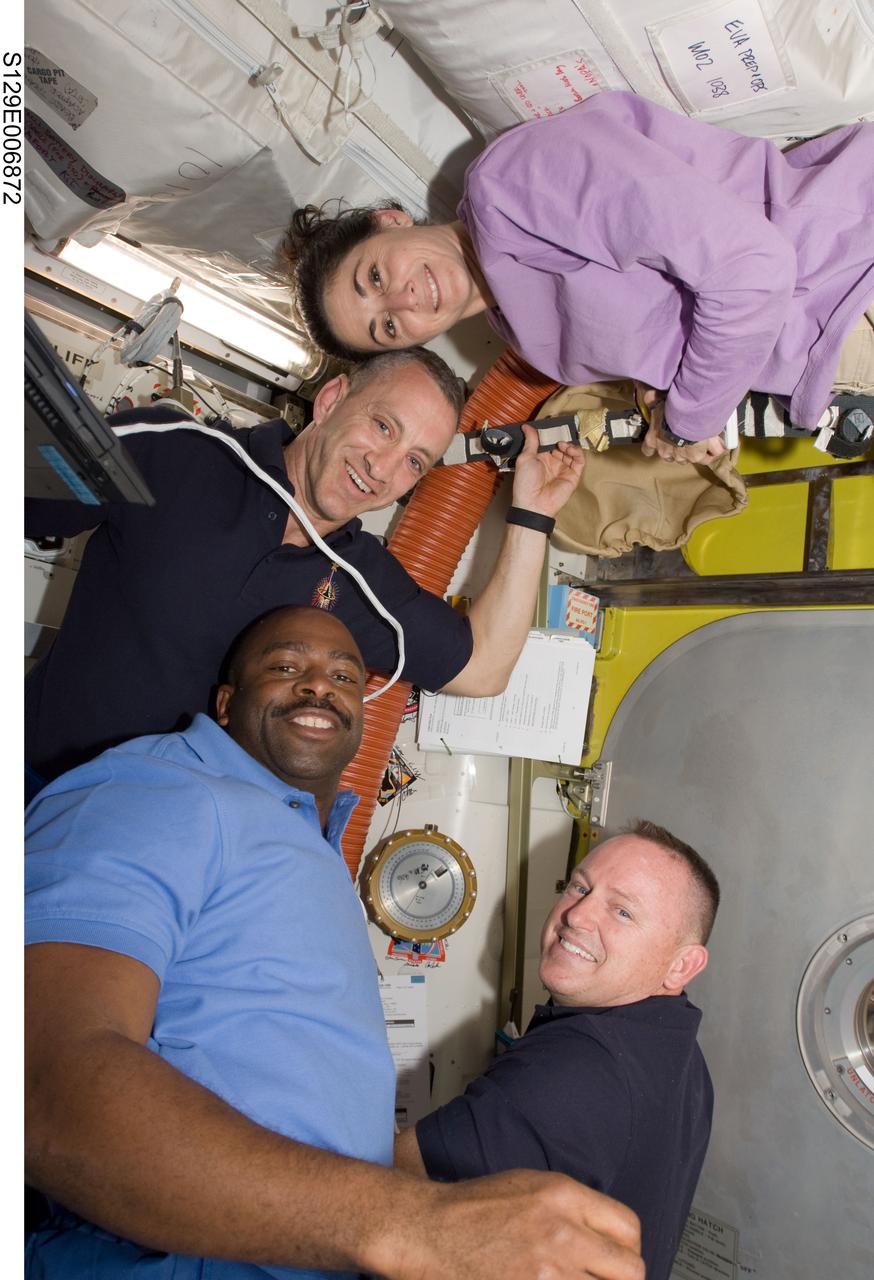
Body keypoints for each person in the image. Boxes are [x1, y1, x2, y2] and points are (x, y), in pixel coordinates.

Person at [25, 604, 644, 1280]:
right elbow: (41, 1077)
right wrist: (410, 1223)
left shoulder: (304, 841)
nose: (320, 687)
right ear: (227, 703)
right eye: (287, 667)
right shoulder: (156, 791)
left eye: (345, 677)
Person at [25, 345, 583, 782]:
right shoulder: (177, 453)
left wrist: (532, 514)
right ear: (332, 399)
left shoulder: (358, 584)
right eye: (383, 426)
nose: (382, 467)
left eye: (414, 461)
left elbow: (483, 670)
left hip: (141, 849)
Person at [283, 89, 874, 467]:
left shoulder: (513, 182)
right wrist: (662, 401)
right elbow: (665, 324)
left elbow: (752, 270)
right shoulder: (523, 334)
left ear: (390, 221)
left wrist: (689, 420)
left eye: (377, 275)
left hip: (843, 275)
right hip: (820, 354)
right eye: (387, 326)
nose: (404, 300)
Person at [394, 820, 720, 1280]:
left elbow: (380, 1188)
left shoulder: (573, 1069)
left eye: (622, 912)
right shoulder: (683, 1055)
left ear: (681, 965)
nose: (577, 915)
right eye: (578, 888)